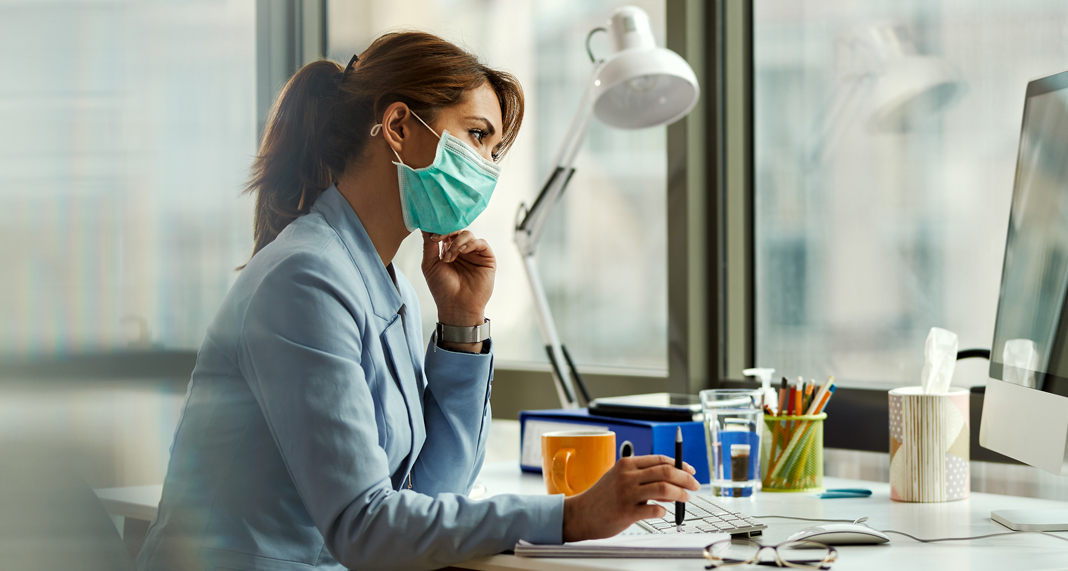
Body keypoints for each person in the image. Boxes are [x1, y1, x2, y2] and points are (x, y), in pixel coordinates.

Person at [135, 31, 699, 571]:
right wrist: (570, 514)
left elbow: (431, 492)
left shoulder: (392, 284)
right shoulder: (305, 278)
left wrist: (461, 327)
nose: (487, 167)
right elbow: (365, 526)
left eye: (495, 149)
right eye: (477, 135)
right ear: (399, 126)